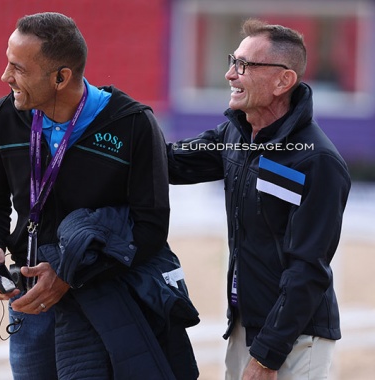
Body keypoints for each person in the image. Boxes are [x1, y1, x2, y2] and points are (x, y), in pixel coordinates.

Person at [0, 12, 199, 380]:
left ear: (61, 77)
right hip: (29, 298)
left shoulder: (134, 124)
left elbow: (151, 227)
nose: (5, 77)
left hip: (102, 294)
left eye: (18, 68)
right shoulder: (5, 115)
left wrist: (67, 275)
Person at [167, 18, 351, 379]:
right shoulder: (235, 135)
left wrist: (267, 355)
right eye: (232, 61)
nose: (230, 75)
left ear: (283, 81)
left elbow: (308, 271)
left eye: (244, 65)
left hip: (296, 341)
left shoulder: (317, 161)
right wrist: (111, 124)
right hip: (242, 329)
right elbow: (168, 163)